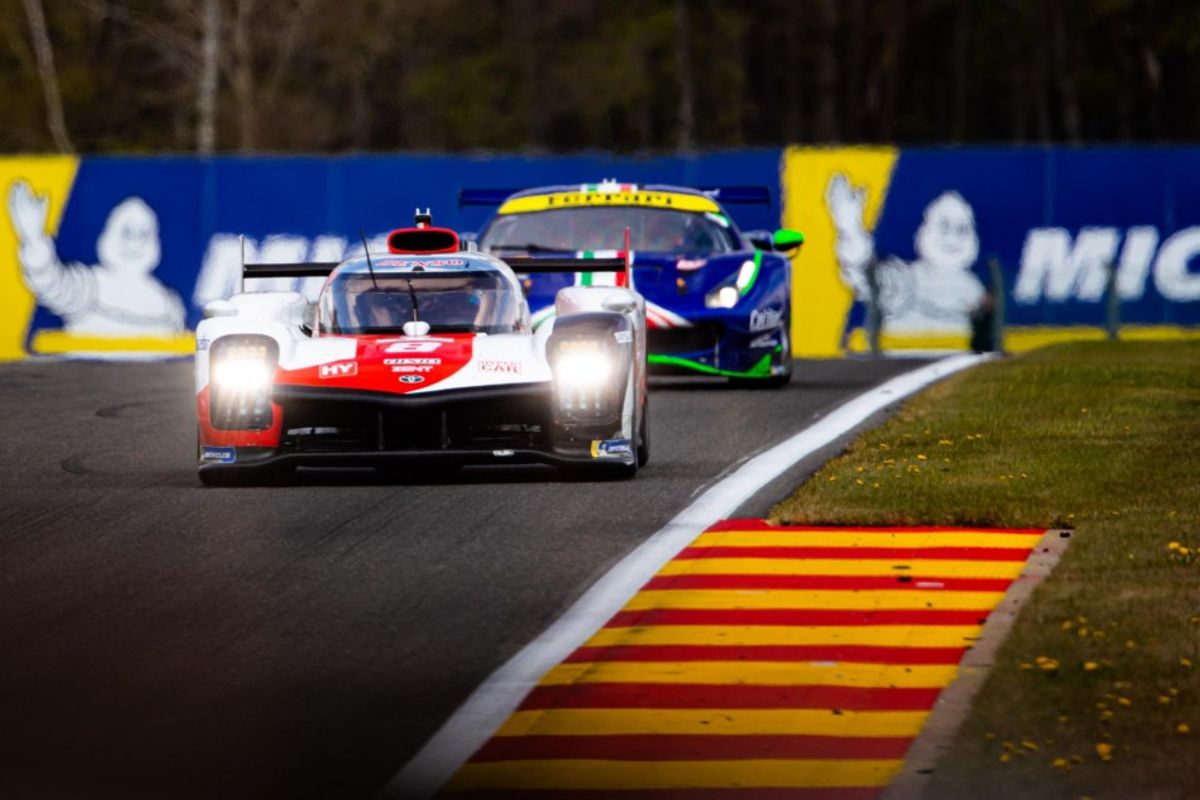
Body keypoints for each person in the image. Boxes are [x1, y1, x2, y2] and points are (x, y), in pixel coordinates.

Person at [7, 180, 185, 335]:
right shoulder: (89, 285)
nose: (134, 244)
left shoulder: (169, 305)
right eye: (127, 232)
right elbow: (50, 283)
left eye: (143, 234)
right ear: (108, 233)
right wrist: (33, 239)